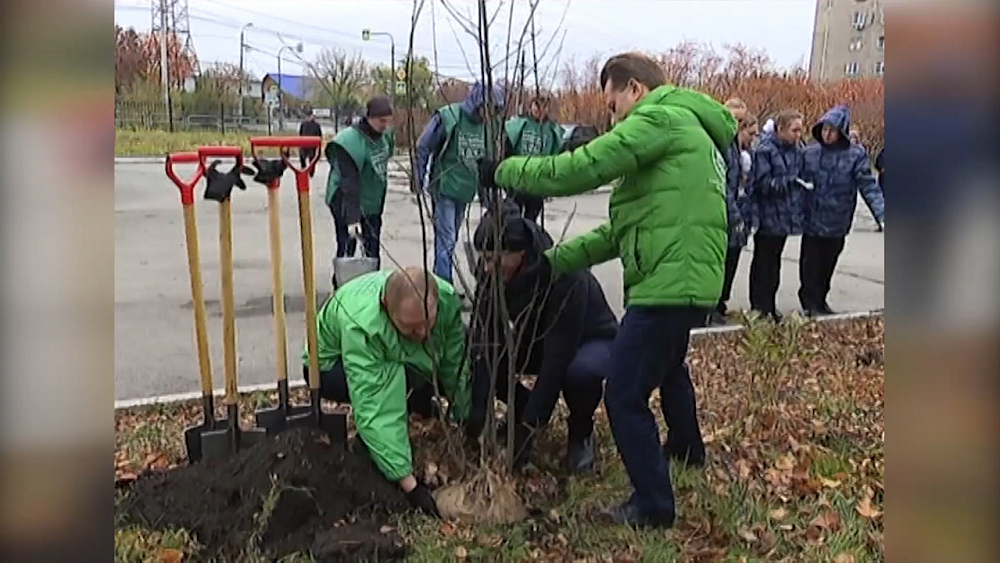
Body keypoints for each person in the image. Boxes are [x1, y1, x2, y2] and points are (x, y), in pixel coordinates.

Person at [479, 52, 734, 528]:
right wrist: (551, 263)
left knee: (623, 394)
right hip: (690, 279)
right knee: (670, 367)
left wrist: (505, 171)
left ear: (634, 89)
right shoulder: (686, 134)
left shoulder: (660, 117)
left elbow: (581, 168)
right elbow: (618, 234)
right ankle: (686, 448)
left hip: (667, 282)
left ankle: (653, 506)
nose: (611, 116)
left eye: (612, 103)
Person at [303, 267, 471, 518]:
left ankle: (419, 411)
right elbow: (375, 406)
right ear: (386, 307)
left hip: (388, 347)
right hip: (328, 368)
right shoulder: (363, 326)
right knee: (397, 376)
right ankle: (372, 448)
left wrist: (467, 414)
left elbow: (453, 361)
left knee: (426, 355)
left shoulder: (445, 297)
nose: (423, 332)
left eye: (428, 322)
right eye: (411, 327)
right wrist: (410, 486)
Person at [467, 204, 618, 473]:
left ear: (521, 253)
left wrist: (529, 426)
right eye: (484, 258)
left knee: (578, 373)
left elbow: (557, 358)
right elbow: (485, 339)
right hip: (537, 338)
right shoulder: (492, 275)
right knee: (484, 354)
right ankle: (521, 404)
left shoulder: (564, 275)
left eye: (494, 258)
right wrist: (477, 412)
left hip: (590, 339)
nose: (487, 268)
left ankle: (581, 432)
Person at [416, 81, 505, 284]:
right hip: (445, 186)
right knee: (446, 239)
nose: (488, 114)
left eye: (494, 110)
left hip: (465, 190)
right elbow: (423, 146)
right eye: (487, 108)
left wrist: (487, 197)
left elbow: (486, 162)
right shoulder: (450, 117)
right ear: (477, 102)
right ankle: (444, 286)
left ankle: (441, 282)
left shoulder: (490, 127)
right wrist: (418, 179)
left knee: (452, 238)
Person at [800, 105, 885, 316]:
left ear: (842, 132)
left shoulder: (854, 155)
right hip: (812, 218)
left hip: (838, 219)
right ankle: (809, 302)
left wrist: (882, 213)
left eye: (832, 130)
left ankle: (820, 299)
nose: (827, 134)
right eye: (824, 129)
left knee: (828, 262)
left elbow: (868, 185)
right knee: (810, 263)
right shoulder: (809, 153)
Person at [747, 109, 807, 322]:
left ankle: (770, 306)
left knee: (774, 263)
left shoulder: (798, 150)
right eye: (794, 130)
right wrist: (789, 182)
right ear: (781, 129)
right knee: (763, 262)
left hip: (784, 217)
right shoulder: (766, 150)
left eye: (800, 130)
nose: (798, 135)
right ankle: (759, 305)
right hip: (767, 216)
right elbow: (761, 184)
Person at [324, 96, 394, 271]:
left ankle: (371, 289)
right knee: (347, 248)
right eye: (381, 120)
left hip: (371, 201)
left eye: (388, 120)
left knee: (372, 249)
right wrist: (352, 219)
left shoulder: (385, 137)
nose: (385, 125)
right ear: (369, 118)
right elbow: (349, 182)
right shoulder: (349, 142)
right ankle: (341, 289)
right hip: (344, 199)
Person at [711, 112, 760, 325]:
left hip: (742, 211)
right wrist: (735, 215)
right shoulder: (725, 150)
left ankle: (721, 303)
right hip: (728, 213)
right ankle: (712, 306)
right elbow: (725, 186)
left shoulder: (746, 151)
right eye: (750, 133)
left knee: (732, 262)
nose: (753, 138)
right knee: (720, 263)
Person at [503, 95, 565, 222]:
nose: (539, 110)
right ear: (531, 106)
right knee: (514, 218)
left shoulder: (552, 130)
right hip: (518, 180)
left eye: (543, 107)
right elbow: (507, 149)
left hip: (537, 183)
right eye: (536, 106)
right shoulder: (520, 124)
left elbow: (556, 156)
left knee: (531, 220)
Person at [298, 112, 323, 177]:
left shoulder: (316, 125)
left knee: (312, 158)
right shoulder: (303, 124)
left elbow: (319, 135)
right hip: (305, 143)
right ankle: (304, 169)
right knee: (303, 157)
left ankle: (310, 171)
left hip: (312, 144)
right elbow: (300, 134)